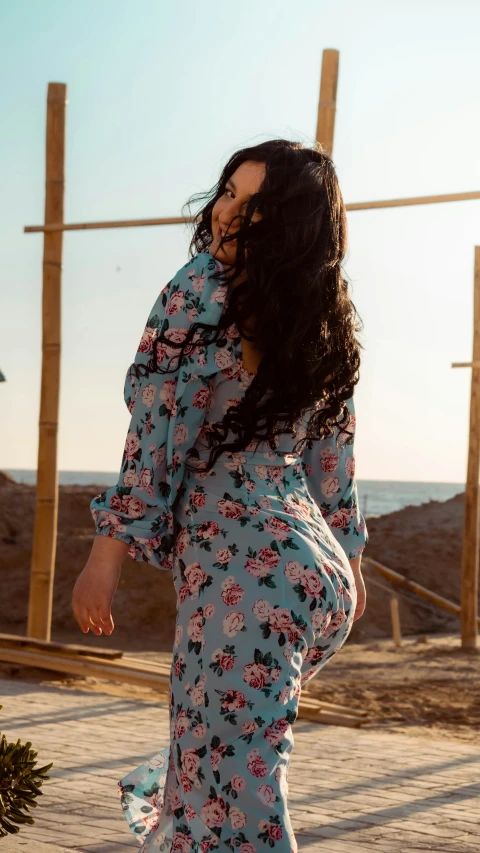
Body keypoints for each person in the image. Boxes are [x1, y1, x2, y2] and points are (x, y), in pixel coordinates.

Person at [72, 139, 368, 853]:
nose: (230, 212)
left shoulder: (198, 287)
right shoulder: (322, 311)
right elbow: (335, 459)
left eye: (255, 203)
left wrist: (105, 556)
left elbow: (155, 434)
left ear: (288, 220)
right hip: (314, 574)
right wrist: (350, 562)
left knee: (237, 800)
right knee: (222, 775)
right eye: (229, 192)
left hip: (243, 575)